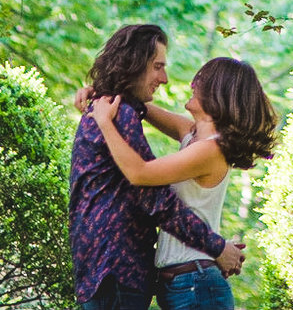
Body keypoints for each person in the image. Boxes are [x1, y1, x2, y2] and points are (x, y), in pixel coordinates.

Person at [70, 24, 245, 310]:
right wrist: (102, 93)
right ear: (134, 65)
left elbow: (147, 184)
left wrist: (218, 248)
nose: (165, 78)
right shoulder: (120, 115)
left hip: (127, 272)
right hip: (118, 270)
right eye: (157, 67)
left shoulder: (208, 144)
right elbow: (154, 195)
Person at [86, 53, 279, 310]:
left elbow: (139, 173)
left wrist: (104, 122)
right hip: (184, 284)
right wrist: (100, 94)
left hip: (196, 285)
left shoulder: (210, 150)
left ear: (216, 93)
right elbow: (138, 107)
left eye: (200, 80)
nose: (192, 84)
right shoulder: (193, 136)